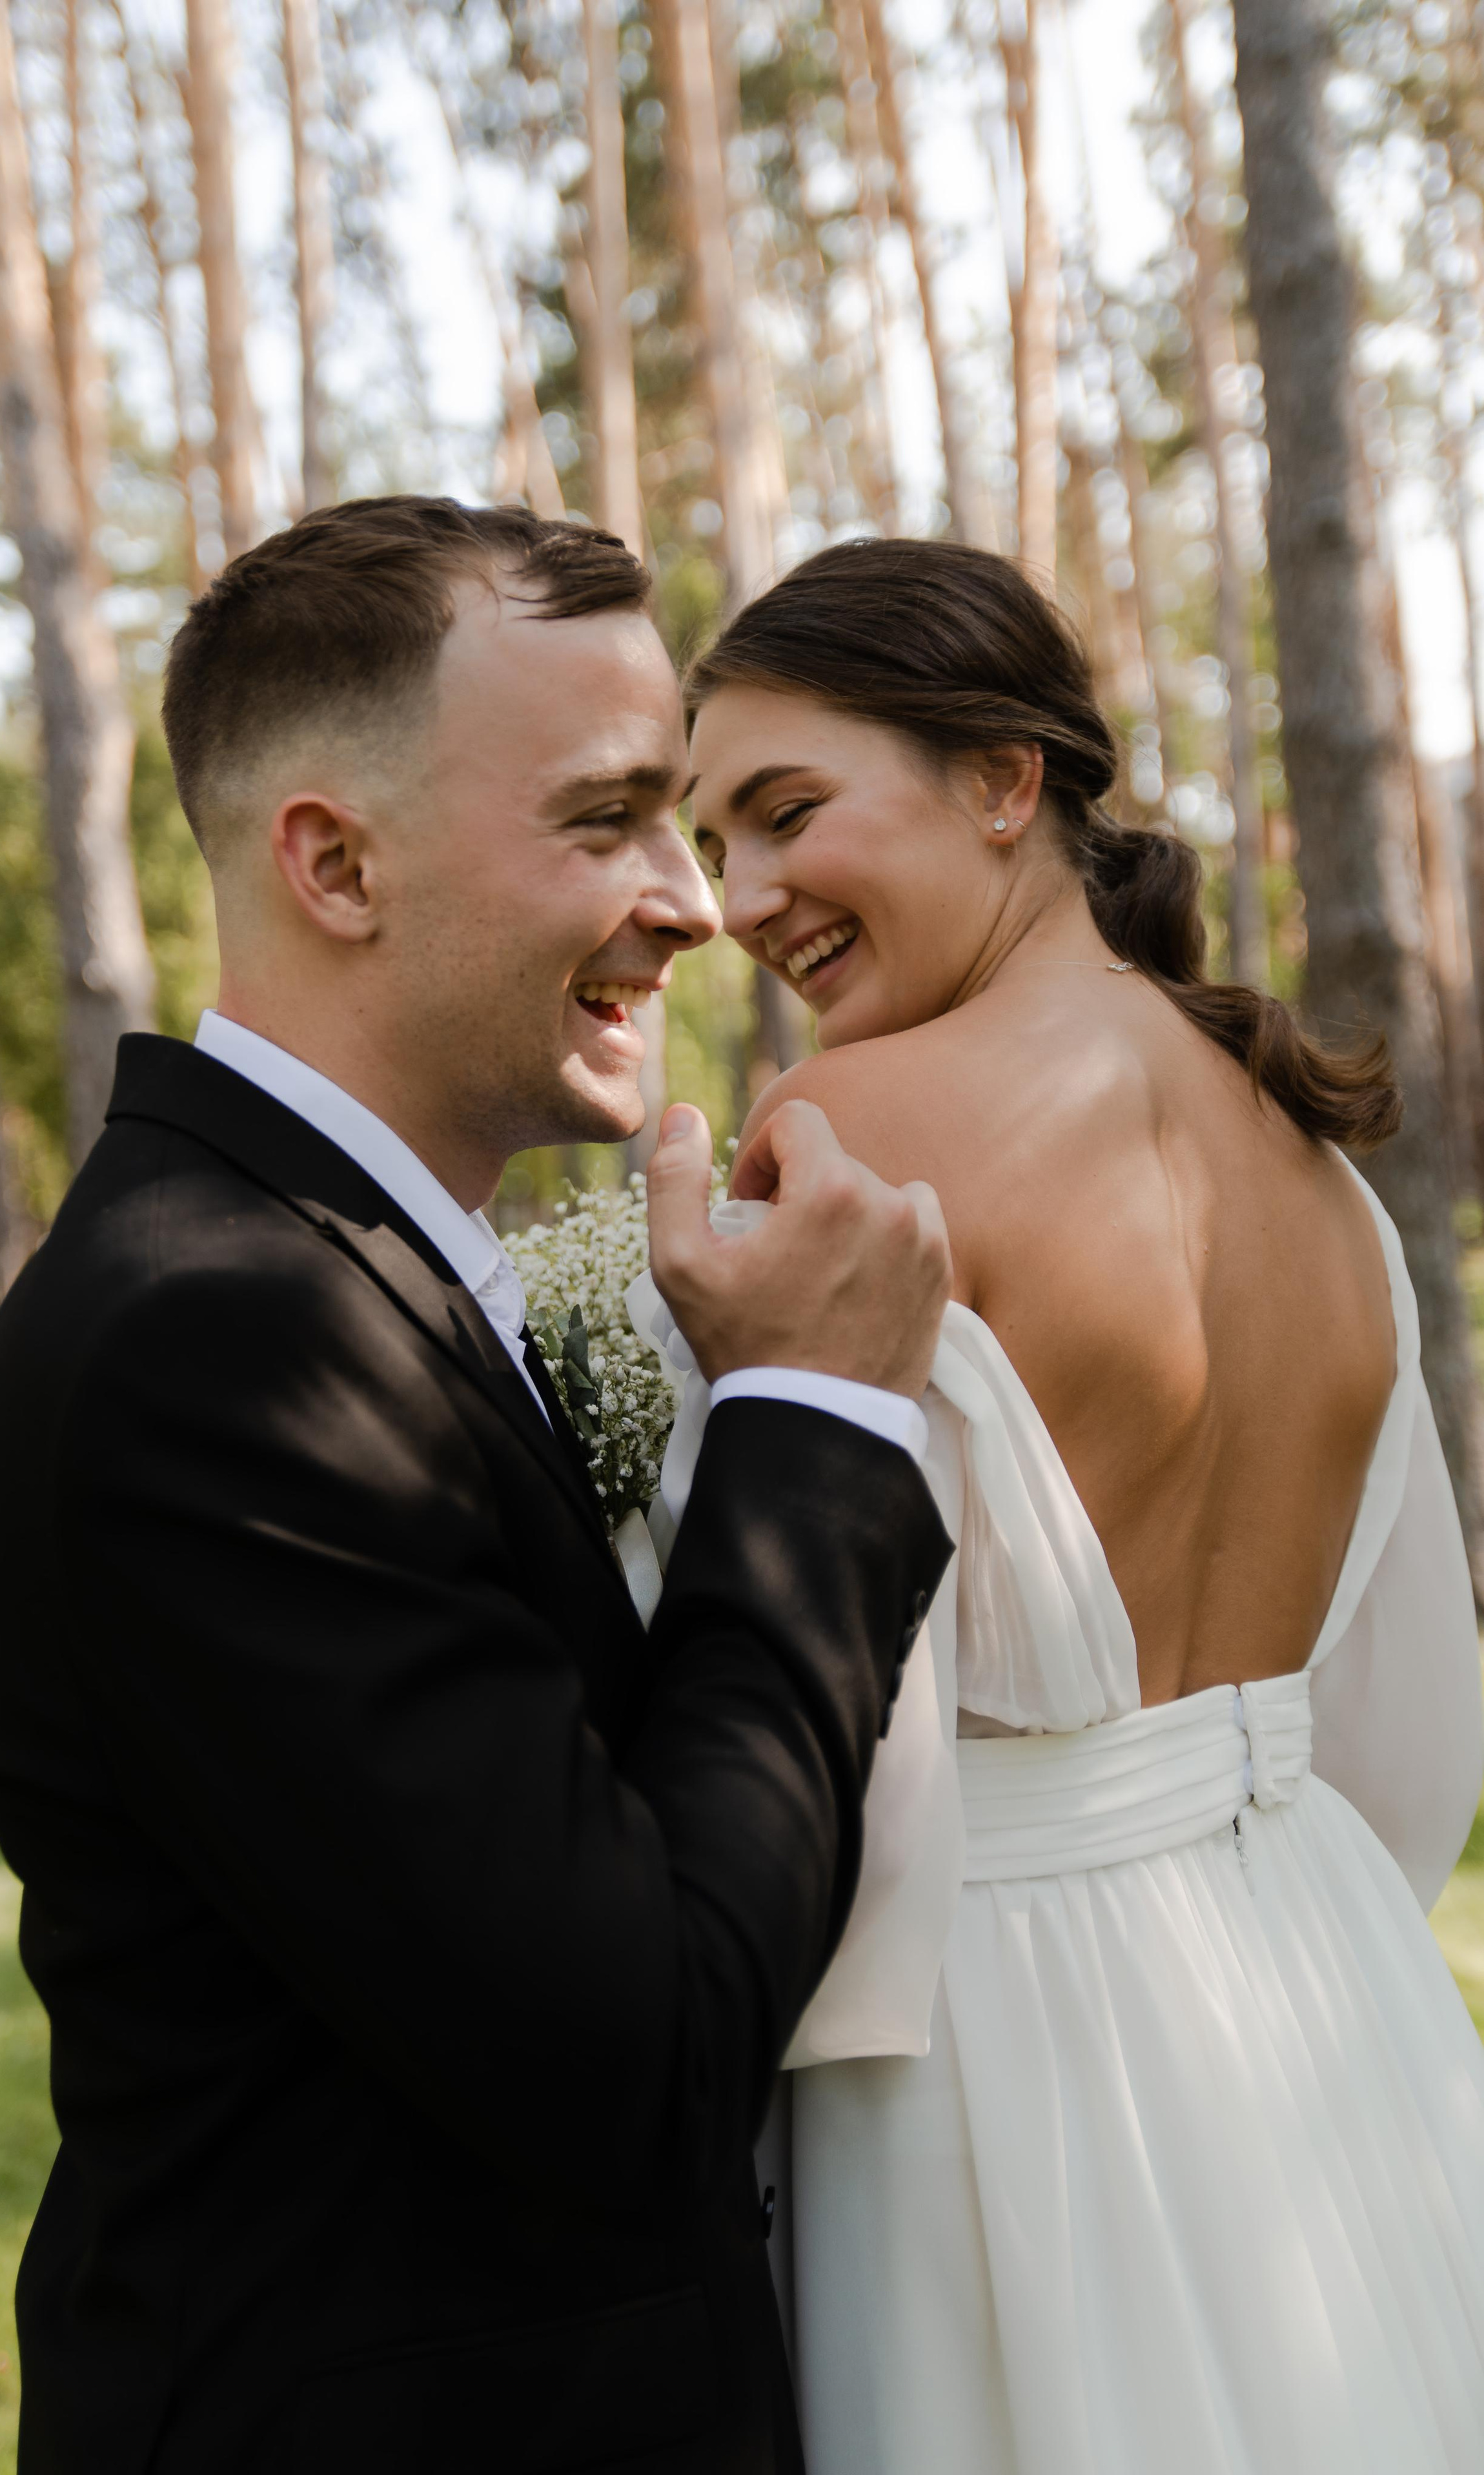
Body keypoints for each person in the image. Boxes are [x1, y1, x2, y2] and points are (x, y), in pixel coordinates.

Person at [0, 498, 955, 2475]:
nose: (695, 899)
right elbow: (635, 2052)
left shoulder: (330, 1268)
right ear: (334, 860)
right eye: (606, 820)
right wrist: (816, 1422)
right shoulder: (214, 1338)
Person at [680, 535, 1484, 2475]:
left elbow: (712, 1638)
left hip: (993, 2046)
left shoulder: (851, 1144)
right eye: (715, 842)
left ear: (1003, 777)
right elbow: (1413, 1733)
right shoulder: (1317, 1169)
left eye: (788, 813)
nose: (740, 899)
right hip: (1321, 1975)